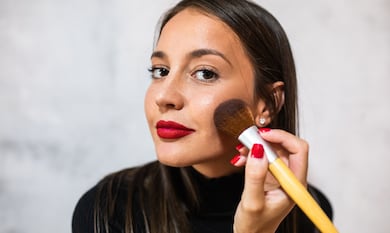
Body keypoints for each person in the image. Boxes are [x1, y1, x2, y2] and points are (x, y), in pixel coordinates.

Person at [72, 0, 333, 232]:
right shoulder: (108, 211)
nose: (164, 96)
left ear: (267, 103)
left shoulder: (310, 212)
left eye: (205, 73)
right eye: (160, 71)